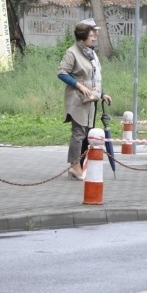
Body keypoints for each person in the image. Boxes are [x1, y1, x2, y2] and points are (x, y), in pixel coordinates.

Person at [58, 20, 112, 180]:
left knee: (87, 133)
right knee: (78, 133)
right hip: (77, 99)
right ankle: (75, 166)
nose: (94, 37)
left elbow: (94, 77)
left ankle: (79, 165)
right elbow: (62, 72)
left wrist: (103, 93)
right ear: (83, 37)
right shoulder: (72, 52)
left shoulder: (90, 52)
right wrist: (79, 86)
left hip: (90, 99)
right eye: (91, 35)